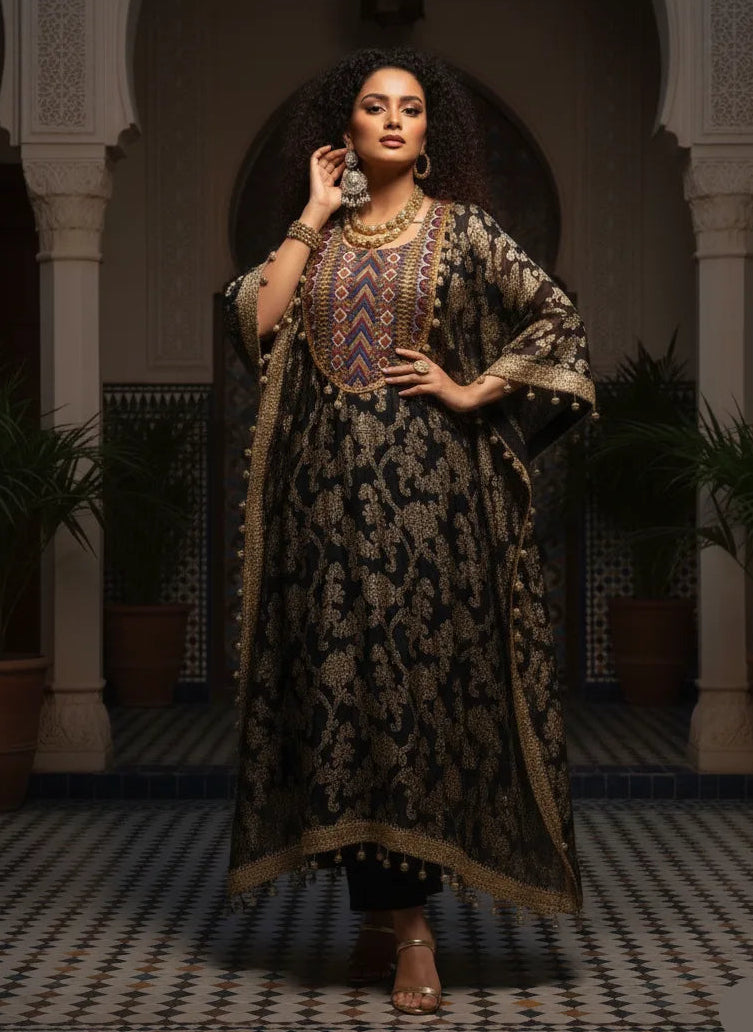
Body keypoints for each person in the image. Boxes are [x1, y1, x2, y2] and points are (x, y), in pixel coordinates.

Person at [222, 45, 596, 1015]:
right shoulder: (320, 243)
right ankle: (383, 921)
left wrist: (472, 388)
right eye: (375, 107)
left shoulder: (464, 233)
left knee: (413, 715)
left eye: (413, 109)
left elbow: (556, 317)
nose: (394, 120)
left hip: (434, 532)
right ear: (344, 130)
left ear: (431, 135)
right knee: (344, 718)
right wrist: (310, 212)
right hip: (323, 530)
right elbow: (257, 323)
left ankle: (416, 929)